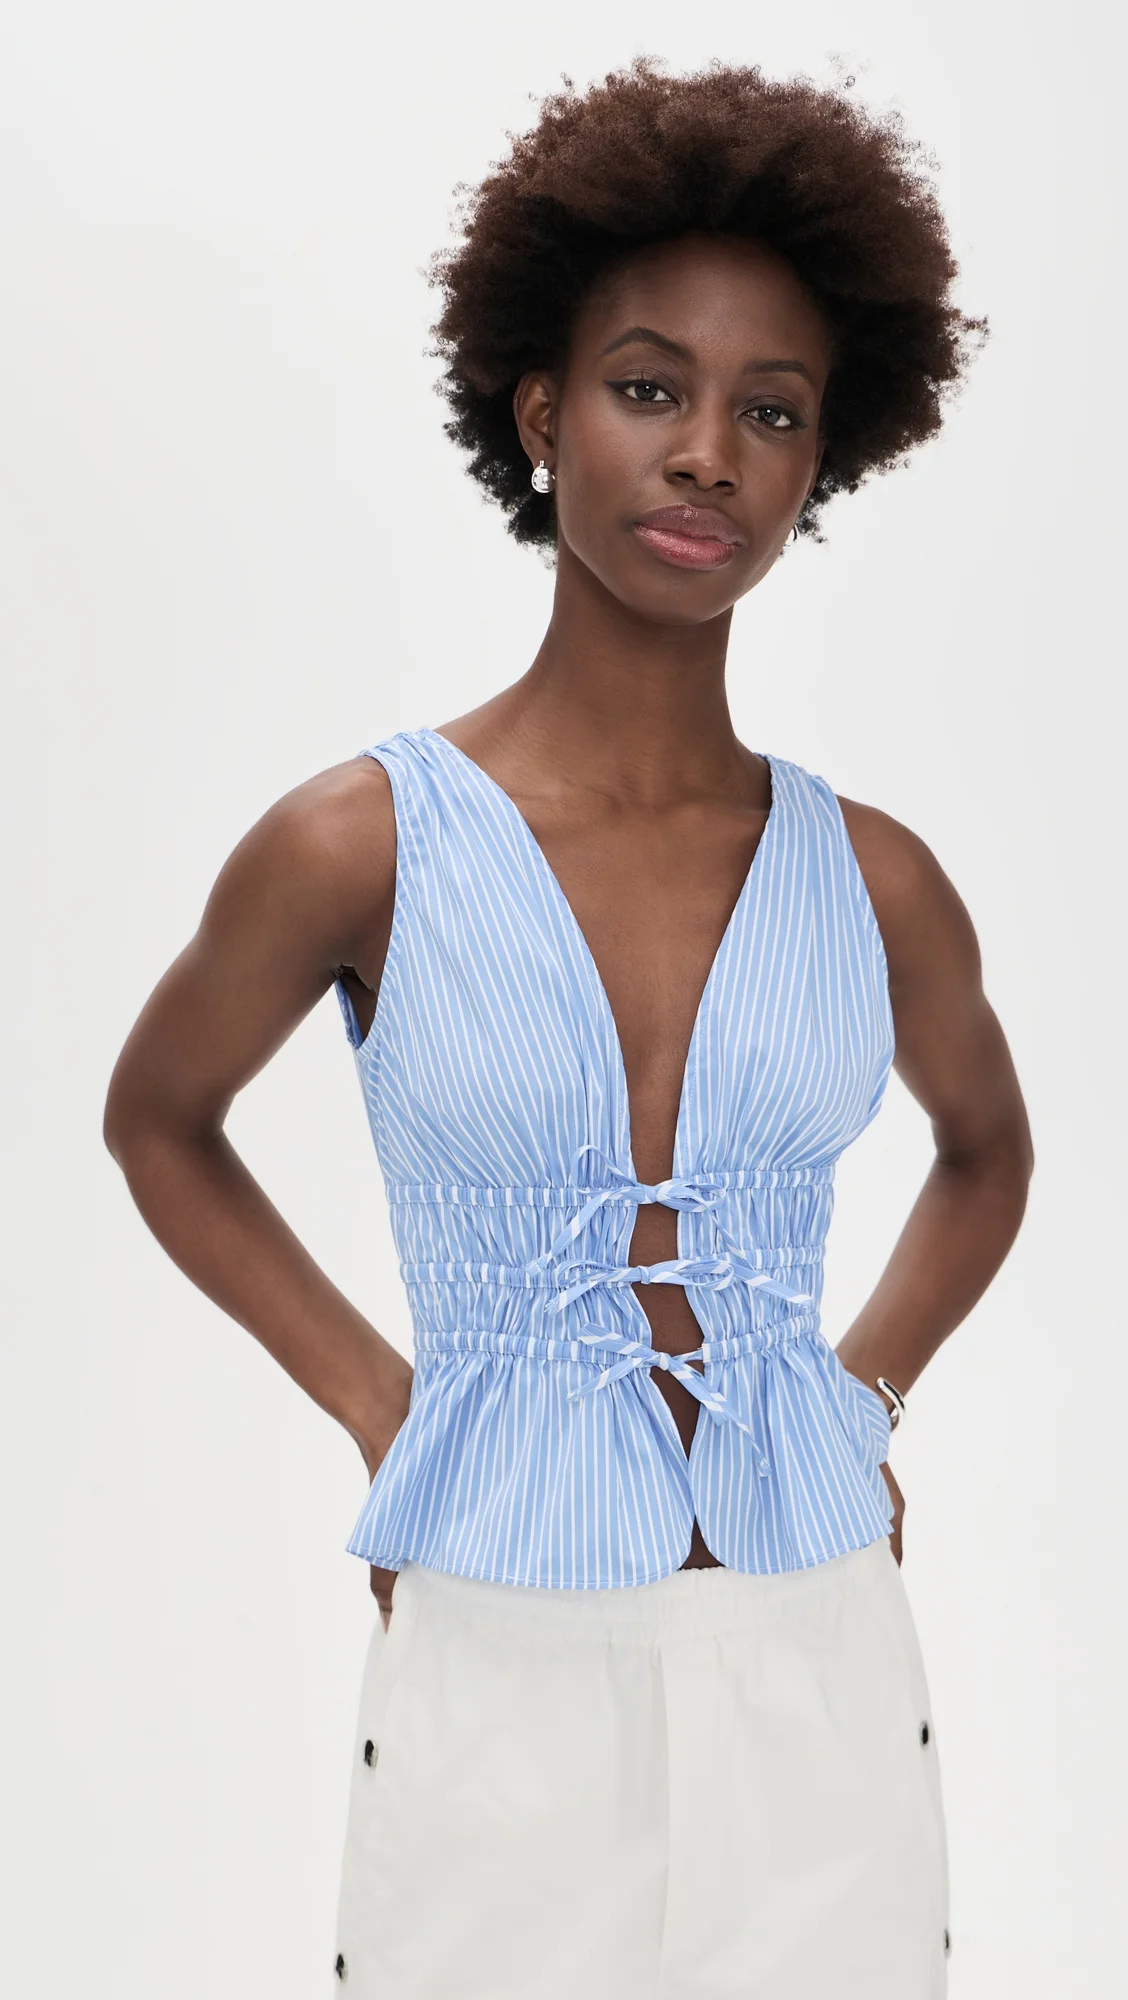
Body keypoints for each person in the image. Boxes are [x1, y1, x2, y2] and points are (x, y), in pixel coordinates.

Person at [104, 57, 1033, 2000]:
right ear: (542, 416)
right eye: (647, 388)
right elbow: (161, 1116)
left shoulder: (873, 877)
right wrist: (382, 1400)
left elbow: (987, 1152)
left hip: (818, 1639)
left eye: (770, 411)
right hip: (498, 1639)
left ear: (819, 461)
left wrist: (862, 1396)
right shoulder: (360, 841)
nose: (708, 455)